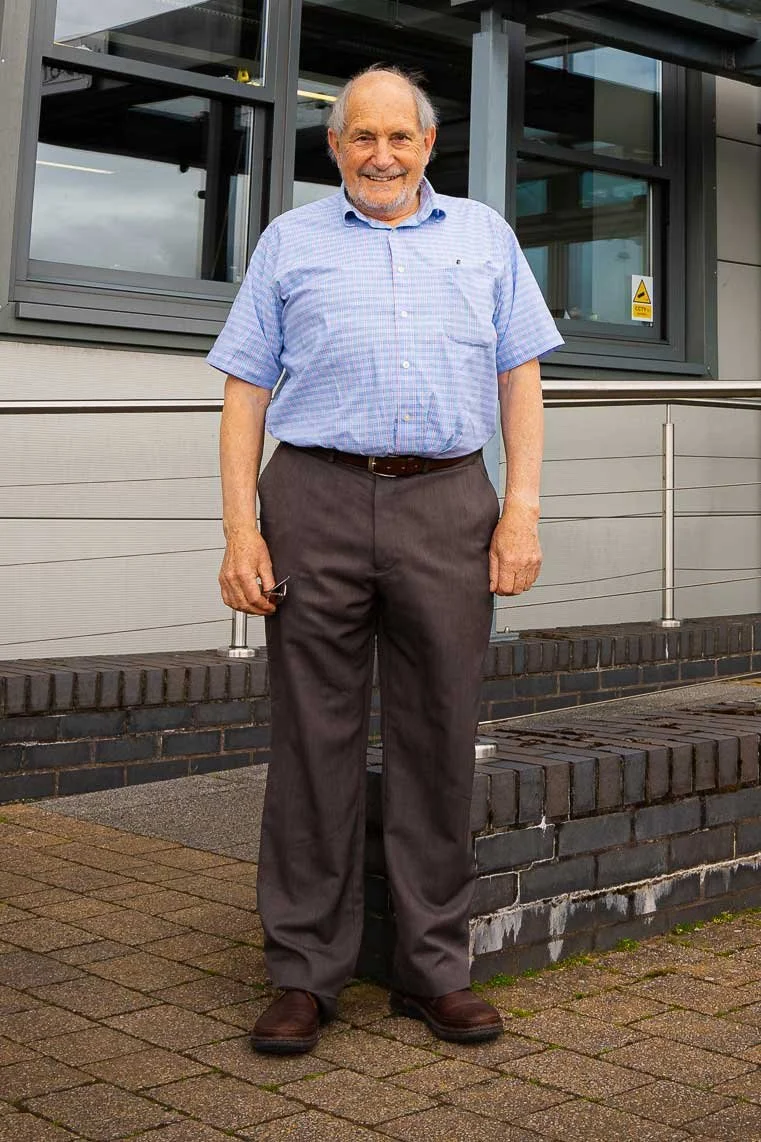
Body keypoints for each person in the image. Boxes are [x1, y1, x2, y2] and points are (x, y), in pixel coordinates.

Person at [207, 64, 563, 1055]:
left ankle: (430, 969)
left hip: (448, 498)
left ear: (426, 145)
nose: (379, 155)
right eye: (359, 137)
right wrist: (241, 527)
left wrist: (519, 511)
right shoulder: (292, 241)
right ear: (334, 148)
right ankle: (304, 975)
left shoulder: (483, 236)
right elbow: (243, 391)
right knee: (310, 742)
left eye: (397, 137)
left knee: (438, 734)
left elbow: (520, 379)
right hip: (312, 495)